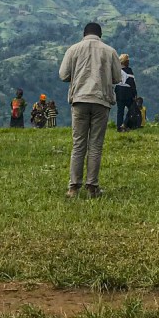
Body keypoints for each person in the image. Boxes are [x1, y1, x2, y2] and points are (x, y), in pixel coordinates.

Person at [59, 22, 120, 198]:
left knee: (78, 144)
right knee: (95, 146)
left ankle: (73, 188)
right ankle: (92, 187)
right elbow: (116, 77)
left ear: (84, 34)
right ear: (100, 34)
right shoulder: (109, 51)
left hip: (80, 100)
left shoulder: (73, 49)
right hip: (101, 101)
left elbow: (63, 75)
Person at [115, 53, 138, 132]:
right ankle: (125, 124)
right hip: (127, 93)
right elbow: (132, 84)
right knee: (132, 109)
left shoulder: (117, 70)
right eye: (127, 60)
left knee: (120, 111)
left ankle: (119, 127)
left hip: (119, 92)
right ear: (125, 62)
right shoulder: (129, 71)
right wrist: (135, 94)